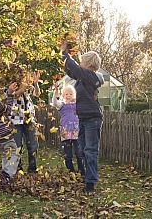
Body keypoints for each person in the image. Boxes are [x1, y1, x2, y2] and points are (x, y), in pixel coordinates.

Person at [61, 45, 104, 193]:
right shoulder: (81, 79)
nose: (80, 64)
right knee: (83, 149)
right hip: (82, 118)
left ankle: (90, 183)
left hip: (92, 118)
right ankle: (87, 176)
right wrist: (63, 55)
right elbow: (71, 70)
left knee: (90, 150)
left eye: (82, 62)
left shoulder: (92, 76)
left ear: (89, 64)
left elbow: (76, 69)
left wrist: (66, 54)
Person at [8, 69, 40, 173]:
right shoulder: (10, 87)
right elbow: (14, 95)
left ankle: (32, 168)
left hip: (29, 118)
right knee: (17, 145)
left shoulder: (27, 86)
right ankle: (18, 169)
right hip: (16, 120)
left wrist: (35, 83)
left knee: (33, 144)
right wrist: (23, 87)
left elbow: (37, 94)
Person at [52, 83, 85, 175]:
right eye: (66, 94)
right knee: (68, 153)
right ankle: (71, 171)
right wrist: (56, 91)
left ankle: (81, 170)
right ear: (63, 95)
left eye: (70, 94)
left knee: (79, 152)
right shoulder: (62, 105)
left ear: (74, 95)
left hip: (76, 131)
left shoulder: (76, 104)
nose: (68, 96)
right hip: (66, 131)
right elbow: (55, 102)